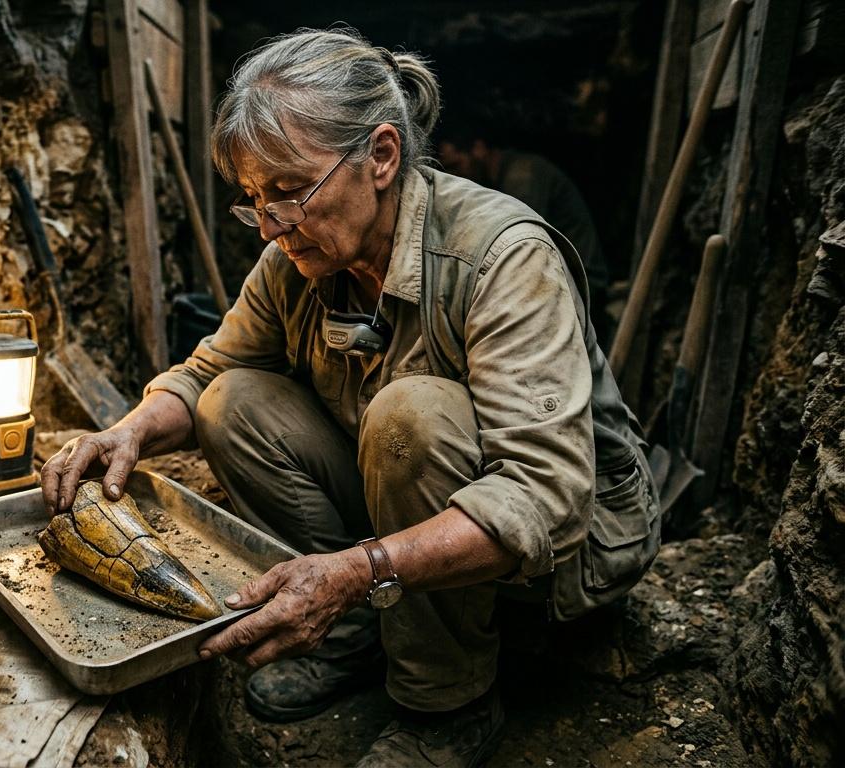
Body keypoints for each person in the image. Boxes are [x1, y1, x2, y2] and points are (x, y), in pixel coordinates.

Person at [41, 28, 658, 768]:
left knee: (411, 418)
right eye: (254, 200)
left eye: (291, 191)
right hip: (404, 521)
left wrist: (354, 571)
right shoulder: (295, 260)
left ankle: (448, 705)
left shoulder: (503, 256)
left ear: (383, 156)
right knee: (232, 402)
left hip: (556, 556)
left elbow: (546, 495)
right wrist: (130, 432)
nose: (271, 225)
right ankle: (354, 637)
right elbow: (209, 372)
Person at [436, 130, 612, 338]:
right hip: (560, 280)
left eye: (456, 166)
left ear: (479, 149)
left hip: (582, 285)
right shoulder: (500, 180)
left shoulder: (522, 176)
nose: (456, 177)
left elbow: (518, 250)